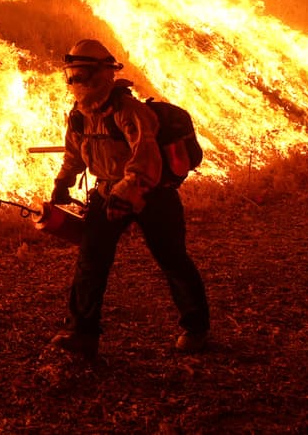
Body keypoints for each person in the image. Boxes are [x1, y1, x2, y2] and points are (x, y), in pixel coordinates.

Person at [47, 38, 210, 359]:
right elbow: (73, 155)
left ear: (102, 74)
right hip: (108, 192)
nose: (76, 82)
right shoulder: (80, 116)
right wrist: (62, 183)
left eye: (81, 74)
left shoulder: (130, 112)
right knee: (91, 262)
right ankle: (81, 333)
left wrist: (127, 193)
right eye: (72, 75)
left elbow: (146, 159)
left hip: (153, 195)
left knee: (172, 260)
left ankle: (196, 327)